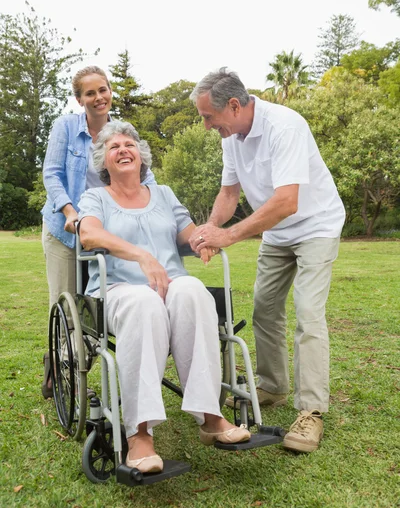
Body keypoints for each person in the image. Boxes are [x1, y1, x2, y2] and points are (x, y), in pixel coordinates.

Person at [78, 120, 251, 473]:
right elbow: (89, 236)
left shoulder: (165, 194)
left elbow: (188, 235)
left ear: (141, 156)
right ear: (104, 161)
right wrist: (141, 256)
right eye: (114, 147)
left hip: (170, 285)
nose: (123, 149)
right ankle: (139, 433)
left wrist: (205, 239)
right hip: (119, 289)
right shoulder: (95, 197)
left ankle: (210, 416)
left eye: (129, 144)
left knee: (193, 291)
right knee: (144, 304)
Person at [188, 67, 345, 453]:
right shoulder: (233, 137)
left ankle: (310, 412)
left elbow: (286, 201)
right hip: (278, 233)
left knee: (308, 313)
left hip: (316, 225)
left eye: (209, 117)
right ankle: (273, 385)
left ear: (235, 105)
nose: (207, 126)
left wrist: (231, 235)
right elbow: (228, 194)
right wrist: (210, 229)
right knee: (264, 307)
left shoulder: (284, 126)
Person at [41, 66, 155, 398]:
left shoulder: (122, 130)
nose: (98, 97)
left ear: (110, 92)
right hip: (66, 229)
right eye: (90, 93)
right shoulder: (65, 127)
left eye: (103, 90)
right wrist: (69, 210)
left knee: (96, 303)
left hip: (105, 229)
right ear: (80, 99)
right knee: (67, 304)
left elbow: (143, 172)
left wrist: (156, 203)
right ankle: (62, 374)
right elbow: (52, 174)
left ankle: (73, 364)